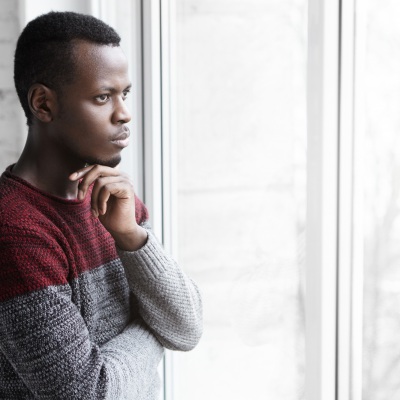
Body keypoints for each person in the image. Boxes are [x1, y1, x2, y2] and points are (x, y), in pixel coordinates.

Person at [0, 11, 202, 399]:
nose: (124, 113)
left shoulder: (114, 200)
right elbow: (89, 393)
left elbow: (186, 327)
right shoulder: (15, 230)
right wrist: (152, 328)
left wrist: (131, 236)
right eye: (102, 97)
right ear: (43, 104)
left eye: (123, 94)